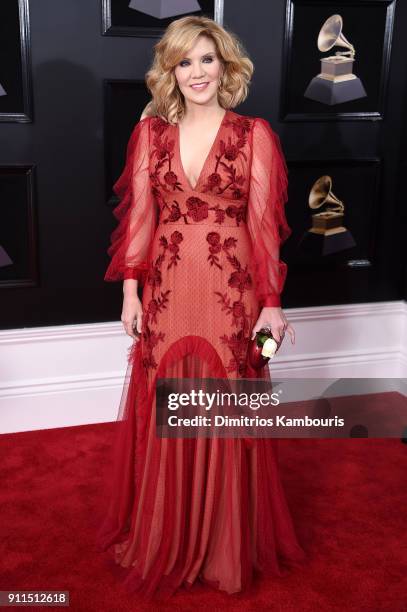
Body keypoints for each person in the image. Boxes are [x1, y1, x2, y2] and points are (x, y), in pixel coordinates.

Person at [96, 14, 306, 602]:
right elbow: (141, 219)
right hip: (166, 289)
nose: (197, 72)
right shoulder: (150, 135)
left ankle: (222, 546)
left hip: (229, 292)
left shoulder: (253, 134)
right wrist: (130, 291)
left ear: (225, 66)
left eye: (207, 59)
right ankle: (164, 533)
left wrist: (272, 302)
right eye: (184, 61)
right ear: (170, 70)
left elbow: (264, 226)